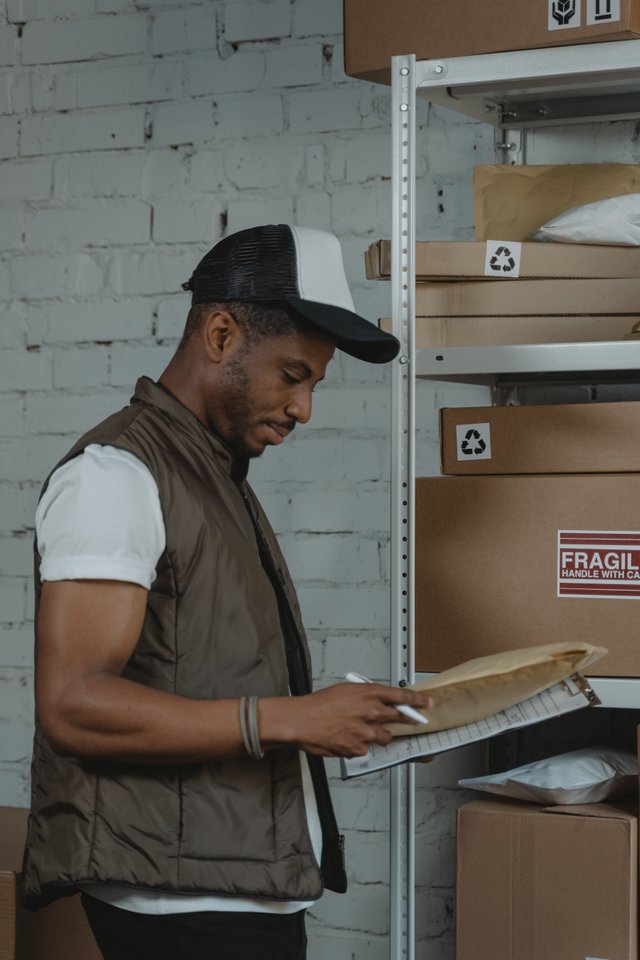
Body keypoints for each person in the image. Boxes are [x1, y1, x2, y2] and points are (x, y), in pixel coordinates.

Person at [21, 224, 429, 960]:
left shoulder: (211, 475)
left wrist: (343, 716)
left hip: (231, 888)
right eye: (293, 374)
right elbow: (73, 703)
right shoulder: (116, 479)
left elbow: (207, 671)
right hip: (181, 906)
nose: (304, 409)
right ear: (219, 334)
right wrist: (294, 720)